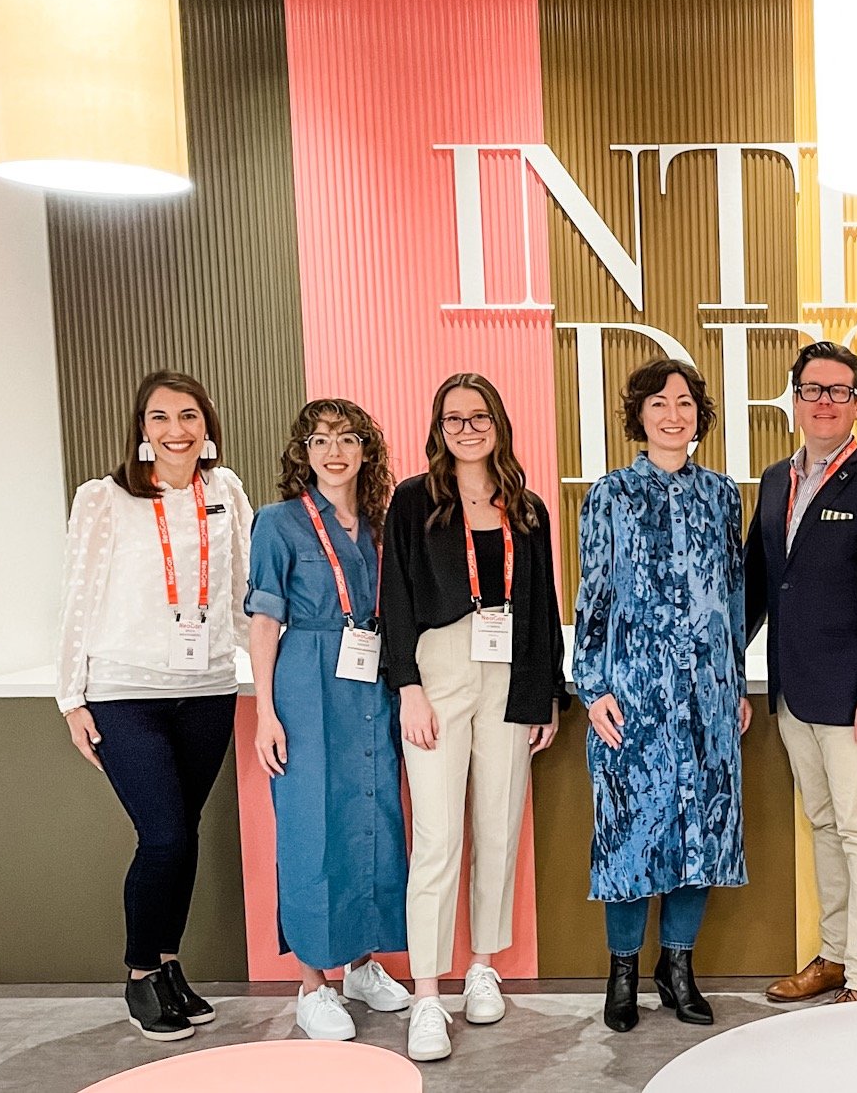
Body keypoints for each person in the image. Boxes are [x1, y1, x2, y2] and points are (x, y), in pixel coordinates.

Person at [56, 371, 254, 1042]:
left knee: (185, 833)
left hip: (207, 689)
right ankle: (141, 972)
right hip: (124, 691)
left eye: (189, 416)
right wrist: (70, 697)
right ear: (142, 428)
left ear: (208, 425)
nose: (176, 430)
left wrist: (251, 665)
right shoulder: (103, 498)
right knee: (163, 834)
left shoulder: (224, 490)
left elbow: (240, 588)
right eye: (161, 417)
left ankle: (169, 966)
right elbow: (78, 598)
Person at [381, 373, 567, 1063]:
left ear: (499, 424)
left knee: (499, 824)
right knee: (436, 836)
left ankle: (482, 964)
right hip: (439, 667)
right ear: (438, 428)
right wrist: (407, 687)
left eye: (478, 416)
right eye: (454, 419)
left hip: (511, 670)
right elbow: (394, 596)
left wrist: (546, 691)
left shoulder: (527, 507)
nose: (467, 429)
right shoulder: (413, 500)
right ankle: (428, 995)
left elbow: (544, 604)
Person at [574, 360, 750, 1033]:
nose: (672, 414)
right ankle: (621, 973)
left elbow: (731, 595)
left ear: (698, 414)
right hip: (634, 694)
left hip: (706, 694)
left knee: (699, 830)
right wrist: (592, 688)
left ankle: (678, 968)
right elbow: (593, 595)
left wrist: (730, 681)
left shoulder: (721, 494)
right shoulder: (610, 494)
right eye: (658, 403)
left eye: (683, 402)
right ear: (639, 416)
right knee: (629, 835)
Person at [746, 342, 857, 1003]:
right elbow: (758, 584)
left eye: (838, 391)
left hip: (853, 702)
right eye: (812, 389)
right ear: (794, 399)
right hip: (793, 694)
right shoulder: (773, 480)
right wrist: (724, 661)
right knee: (823, 826)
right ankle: (835, 957)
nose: (823, 401)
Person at [247, 399, 411, 1040]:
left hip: (372, 680)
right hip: (307, 682)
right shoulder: (278, 523)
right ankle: (313, 981)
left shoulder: (380, 524)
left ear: (366, 450)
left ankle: (363, 963)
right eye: (319, 442)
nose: (333, 452)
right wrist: (266, 711)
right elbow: (264, 620)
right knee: (311, 824)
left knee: (373, 816)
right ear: (304, 453)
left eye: (346, 440)